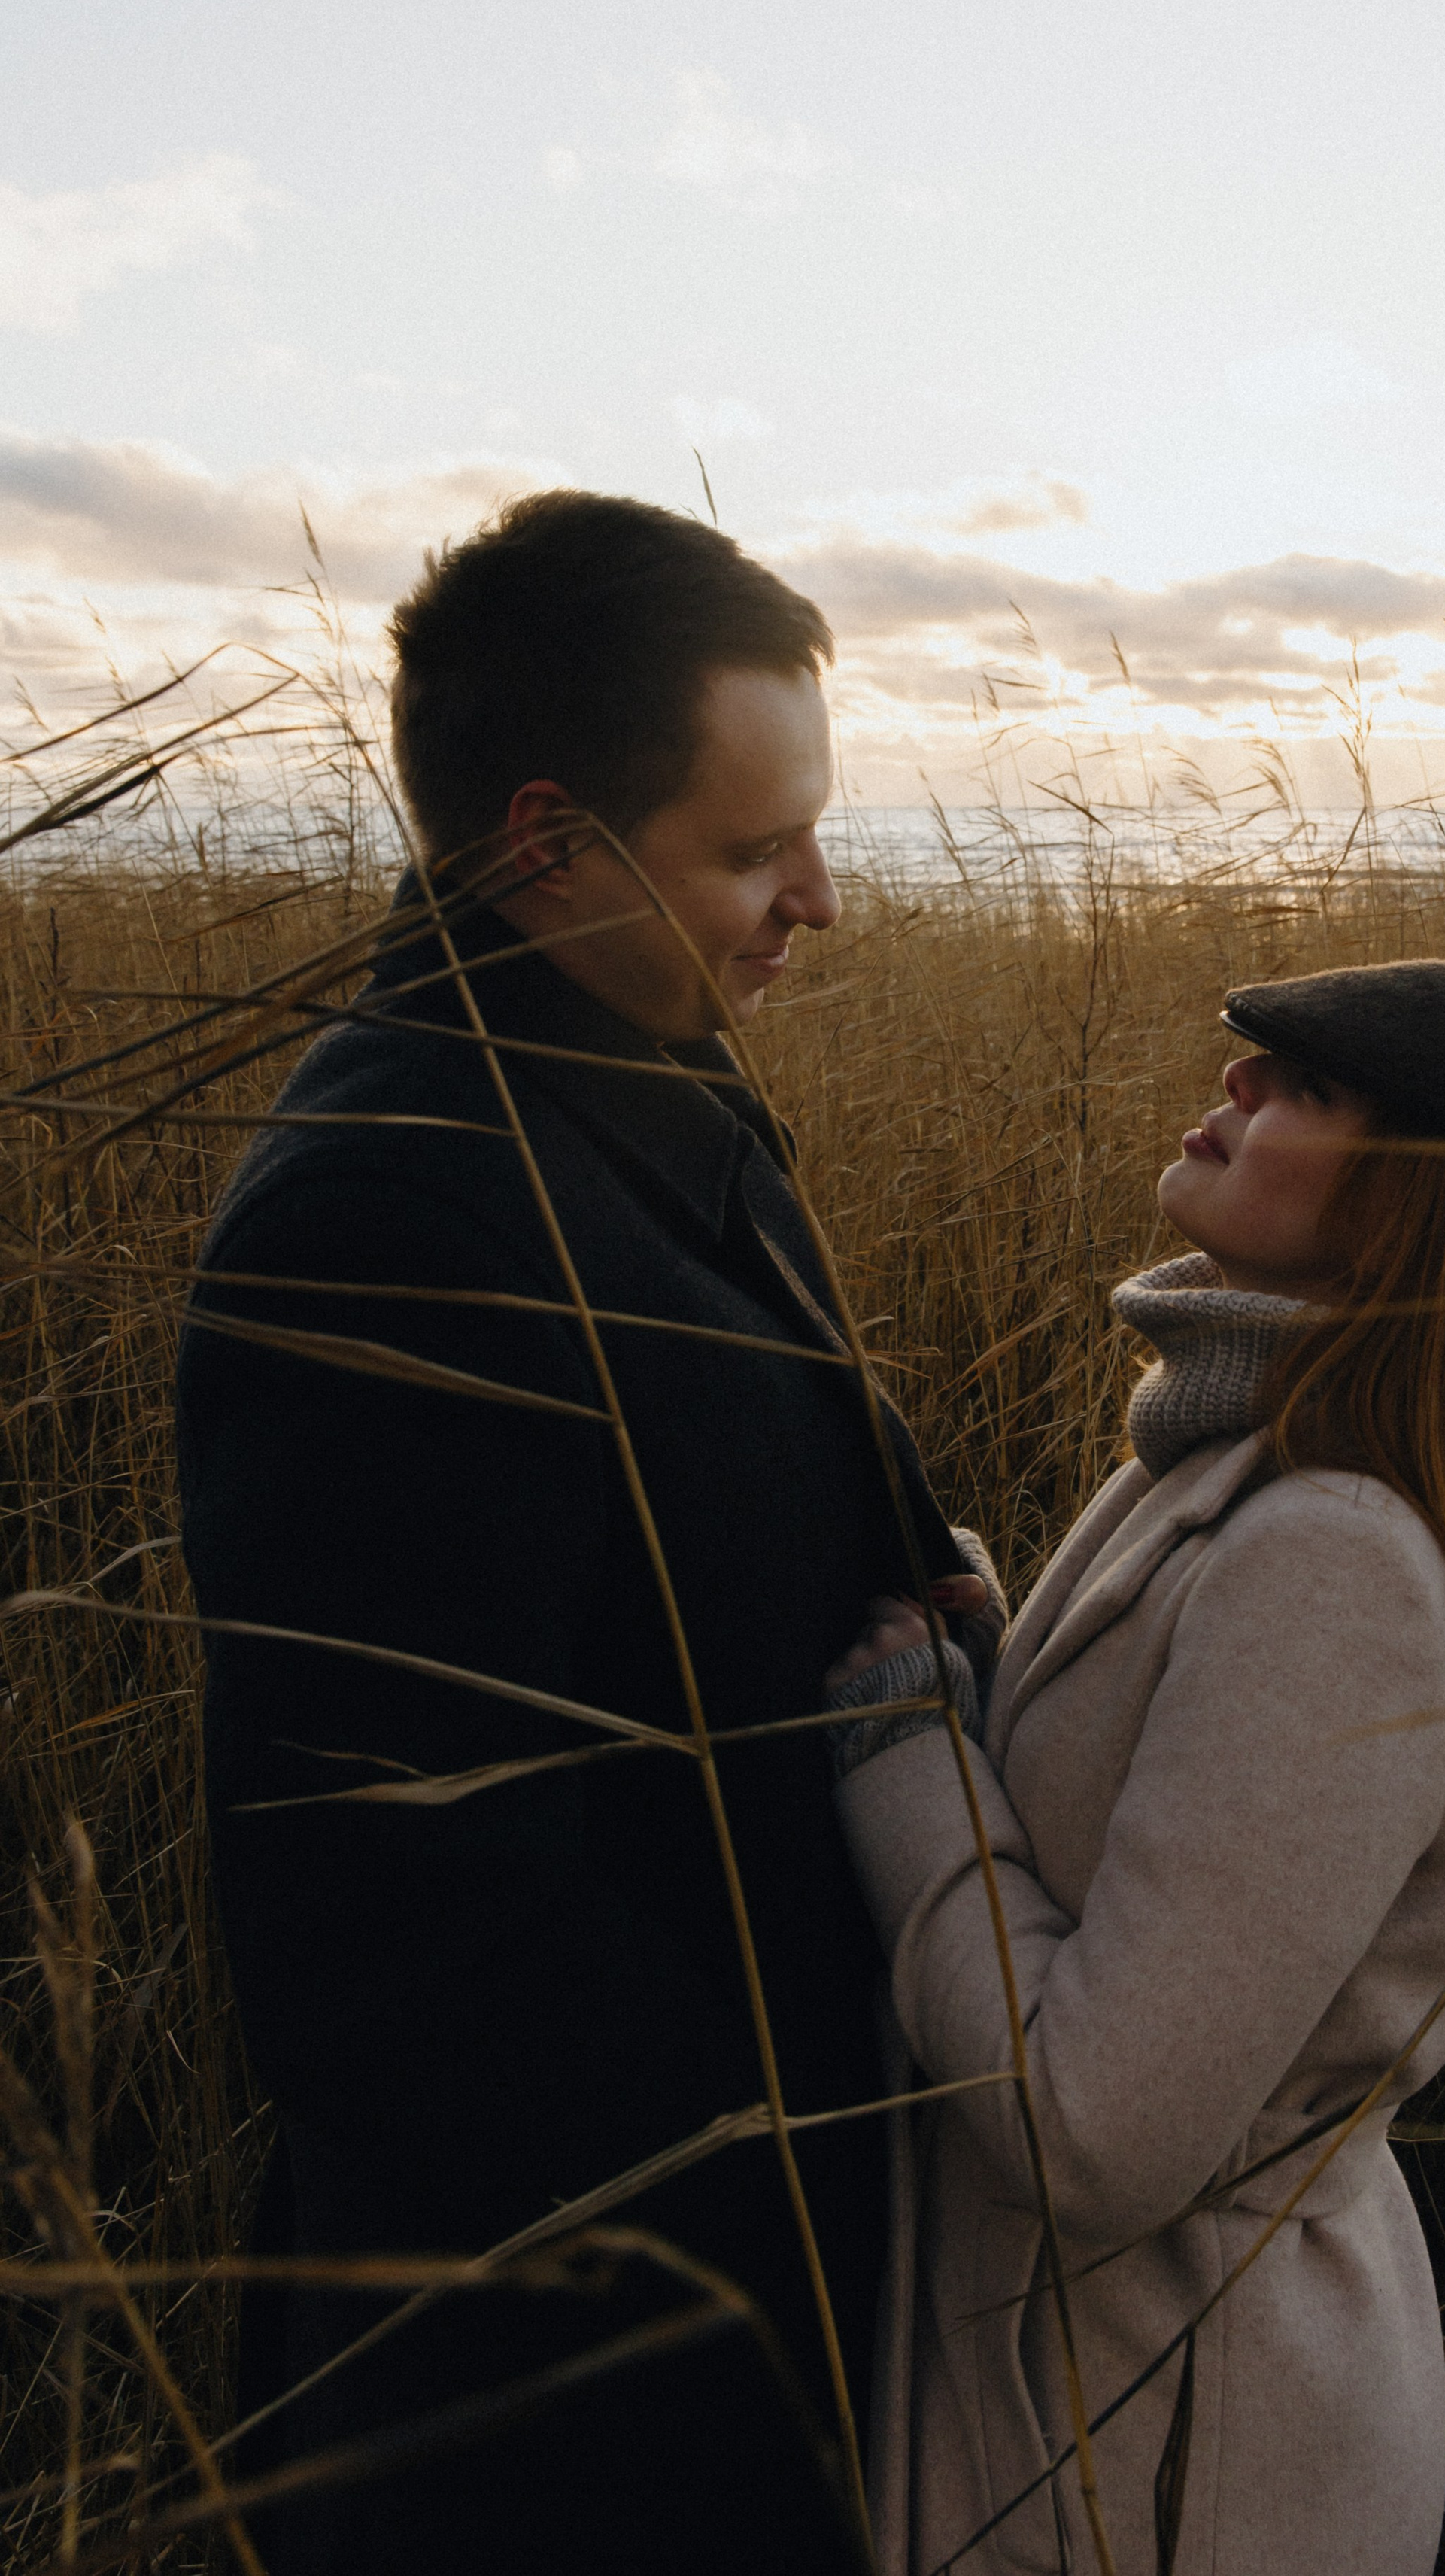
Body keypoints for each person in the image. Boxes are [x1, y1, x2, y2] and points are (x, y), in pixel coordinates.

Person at [178, 492, 992, 2574]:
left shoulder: (638, 1077)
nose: (818, 901)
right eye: (754, 848)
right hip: (575, 2400)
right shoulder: (395, 1208)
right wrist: (764, 2215)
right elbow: (403, 1918)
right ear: (547, 843)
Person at [825, 959, 1445, 2576]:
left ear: (1425, 1207)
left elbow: (1096, 2129)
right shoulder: (1226, 1452)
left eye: (1307, 1088)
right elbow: (1133, 1857)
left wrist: (904, 1755)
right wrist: (990, 1672)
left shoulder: (1332, 1556)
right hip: (1109, 2415)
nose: (1234, 1087)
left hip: (1180, 2465)